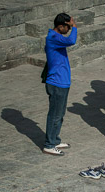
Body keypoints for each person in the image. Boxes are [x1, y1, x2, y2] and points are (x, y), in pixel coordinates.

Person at [43, 13, 77, 156]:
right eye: (68, 27)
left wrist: (72, 25)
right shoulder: (53, 37)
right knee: (54, 115)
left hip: (62, 82)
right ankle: (49, 144)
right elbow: (72, 40)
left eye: (70, 27)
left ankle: (55, 140)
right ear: (60, 26)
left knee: (60, 114)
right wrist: (75, 27)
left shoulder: (57, 38)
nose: (69, 29)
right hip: (56, 82)